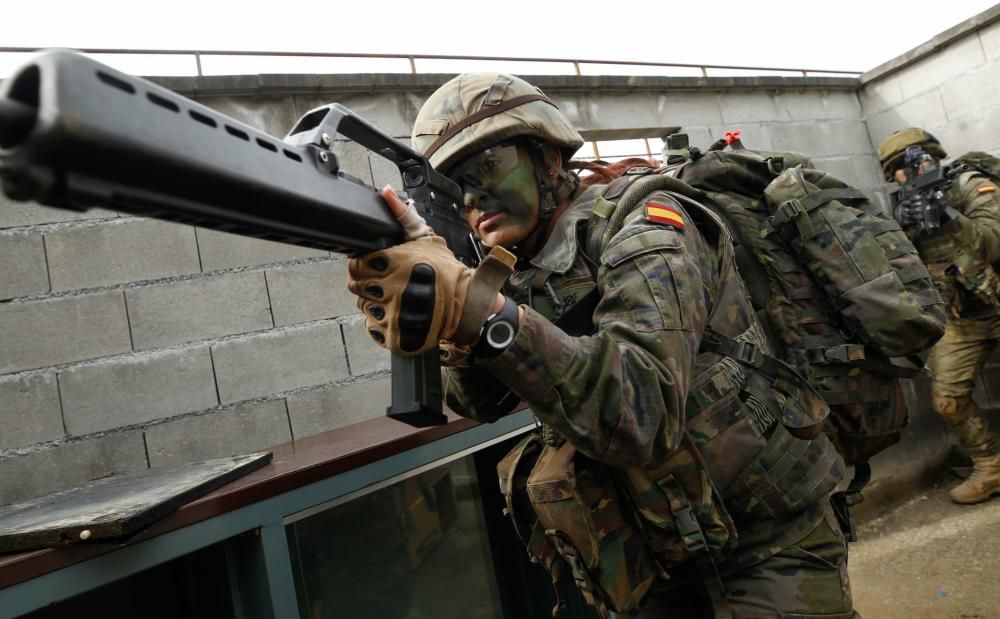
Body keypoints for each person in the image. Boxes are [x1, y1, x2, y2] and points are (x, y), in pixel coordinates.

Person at [348, 72, 856, 617]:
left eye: (487, 166)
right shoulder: (517, 269)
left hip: (767, 538)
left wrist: (482, 310)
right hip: (653, 548)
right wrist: (444, 313)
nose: (473, 196)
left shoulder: (651, 227)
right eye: (455, 187)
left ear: (547, 157)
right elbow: (477, 404)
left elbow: (642, 412)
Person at [879, 128, 1000, 505]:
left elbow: (994, 241)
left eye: (918, 160)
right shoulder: (905, 205)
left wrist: (947, 215)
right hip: (963, 318)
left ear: (934, 156)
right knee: (947, 398)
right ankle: (992, 467)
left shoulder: (967, 185)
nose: (911, 171)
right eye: (899, 167)